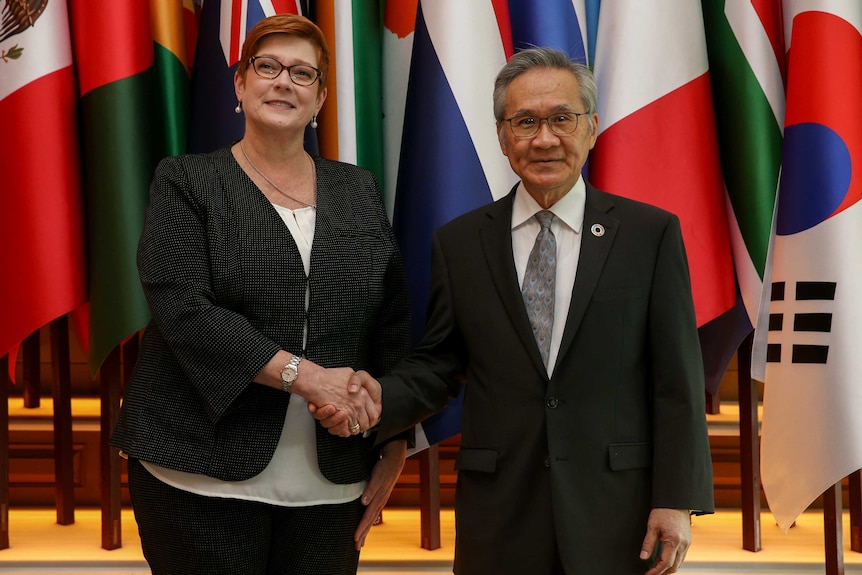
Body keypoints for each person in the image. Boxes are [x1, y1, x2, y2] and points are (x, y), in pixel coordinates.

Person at [314, 47, 715, 575]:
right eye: (525, 121)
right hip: (500, 510)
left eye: (561, 120)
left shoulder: (649, 235)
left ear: (591, 128)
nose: (544, 138)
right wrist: (378, 398)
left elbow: (676, 380)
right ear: (503, 138)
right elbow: (440, 363)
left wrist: (676, 499)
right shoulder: (459, 243)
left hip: (618, 509)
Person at [110, 14, 410, 575]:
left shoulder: (358, 188)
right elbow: (184, 307)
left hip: (332, 478)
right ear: (240, 84)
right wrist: (309, 377)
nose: (282, 82)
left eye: (303, 73)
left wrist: (394, 435)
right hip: (198, 469)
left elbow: (389, 318)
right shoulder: (186, 180)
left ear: (320, 97)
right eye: (267, 67)